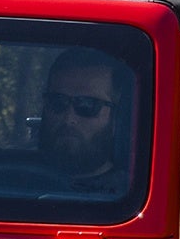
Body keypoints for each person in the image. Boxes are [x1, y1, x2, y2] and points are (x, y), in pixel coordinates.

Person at [41, 48, 133, 195]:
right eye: (58, 102)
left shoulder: (132, 196)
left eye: (87, 105)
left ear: (116, 117)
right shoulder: (13, 180)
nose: (69, 119)